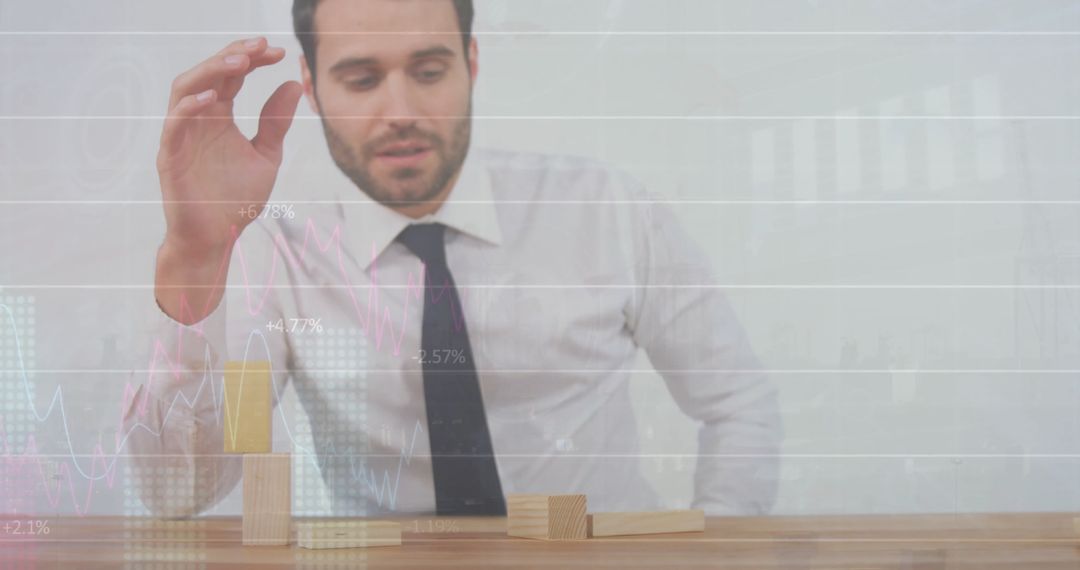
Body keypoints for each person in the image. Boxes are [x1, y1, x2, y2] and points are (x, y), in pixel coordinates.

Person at [123, 0, 781, 518]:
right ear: (313, 89)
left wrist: (718, 542)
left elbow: (737, 403)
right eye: (360, 79)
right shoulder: (280, 252)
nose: (401, 111)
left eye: (430, 71)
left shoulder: (606, 210)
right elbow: (177, 492)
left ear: (472, 63)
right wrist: (195, 255)